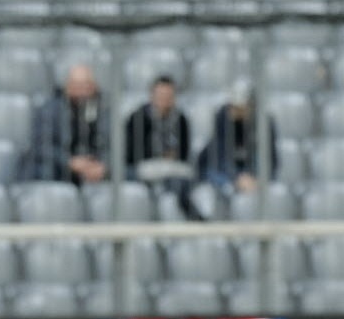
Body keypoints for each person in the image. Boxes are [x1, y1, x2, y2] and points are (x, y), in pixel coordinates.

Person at [124, 74, 204, 221]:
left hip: (170, 170)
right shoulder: (137, 118)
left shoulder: (181, 119)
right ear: (152, 96)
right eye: (161, 95)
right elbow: (130, 153)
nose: (165, 100)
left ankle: (192, 216)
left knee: (183, 181)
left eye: (169, 96)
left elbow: (183, 154)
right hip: (142, 169)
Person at [19, 64, 109, 186]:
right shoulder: (49, 111)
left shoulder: (104, 111)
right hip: (58, 168)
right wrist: (69, 162)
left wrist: (100, 165)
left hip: (92, 169)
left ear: (94, 87)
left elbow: (112, 144)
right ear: (67, 86)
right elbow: (41, 147)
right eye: (77, 85)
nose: (82, 90)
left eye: (86, 85)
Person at [197, 79, 279, 195]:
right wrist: (236, 178)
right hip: (225, 170)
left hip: (252, 171)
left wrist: (256, 178)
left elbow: (271, 160)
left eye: (240, 107)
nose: (234, 111)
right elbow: (218, 156)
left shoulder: (265, 123)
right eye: (233, 106)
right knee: (218, 182)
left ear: (251, 105)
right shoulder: (222, 118)